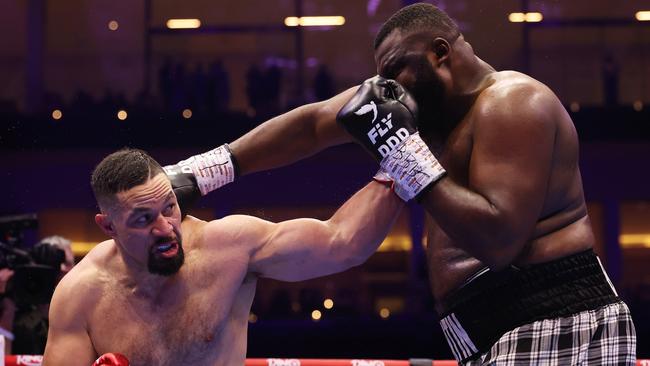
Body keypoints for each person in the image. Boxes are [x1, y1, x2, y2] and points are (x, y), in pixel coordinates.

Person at [166, 3, 636, 365]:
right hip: (491, 331)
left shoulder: (513, 103)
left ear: (440, 53)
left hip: (555, 319)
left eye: (394, 71)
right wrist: (198, 173)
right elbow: (311, 126)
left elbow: (498, 240)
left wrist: (401, 149)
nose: (388, 88)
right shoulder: (425, 111)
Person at [42, 148, 403, 365]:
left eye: (170, 207)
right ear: (108, 227)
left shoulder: (227, 247)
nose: (166, 228)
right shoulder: (81, 295)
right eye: (143, 219)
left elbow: (342, 243)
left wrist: (401, 160)